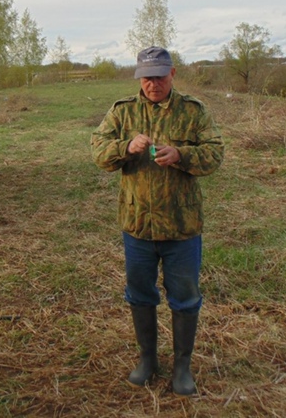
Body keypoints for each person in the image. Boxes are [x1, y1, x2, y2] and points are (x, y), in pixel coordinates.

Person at [90, 46, 224, 396]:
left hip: (181, 227)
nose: (153, 84)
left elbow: (214, 154)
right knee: (140, 295)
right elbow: (98, 152)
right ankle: (148, 360)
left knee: (185, 297)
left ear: (173, 74)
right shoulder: (123, 112)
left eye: (160, 77)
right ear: (139, 77)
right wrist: (125, 148)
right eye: (146, 78)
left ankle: (182, 366)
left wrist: (181, 154)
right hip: (137, 226)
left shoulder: (193, 111)